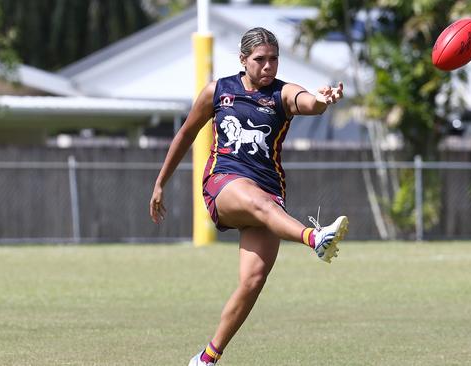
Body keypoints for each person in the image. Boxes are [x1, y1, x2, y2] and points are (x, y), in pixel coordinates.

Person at [149, 27, 349, 366]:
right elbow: (185, 134)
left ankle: (206, 358)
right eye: (260, 59)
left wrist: (323, 99)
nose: (268, 66)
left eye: (274, 59)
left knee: (253, 279)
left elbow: (308, 103)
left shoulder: (282, 93)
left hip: (269, 191)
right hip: (223, 182)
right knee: (258, 201)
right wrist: (159, 183)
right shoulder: (217, 91)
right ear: (243, 60)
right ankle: (315, 237)